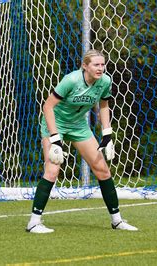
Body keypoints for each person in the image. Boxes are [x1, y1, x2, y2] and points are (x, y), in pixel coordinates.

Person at [26, 49, 138, 233]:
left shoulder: (105, 81)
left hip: (79, 126)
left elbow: (104, 105)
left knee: (102, 169)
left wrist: (107, 134)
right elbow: (47, 106)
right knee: (53, 170)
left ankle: (117, 221)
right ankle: (34, 222)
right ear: (85, 66)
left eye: (103, 64)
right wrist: (55, 139)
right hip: (56, 125)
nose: (100, 68)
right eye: (96, 64)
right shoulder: (71, 80)